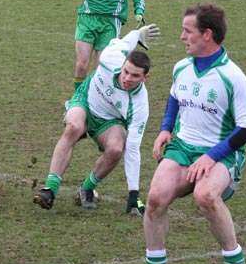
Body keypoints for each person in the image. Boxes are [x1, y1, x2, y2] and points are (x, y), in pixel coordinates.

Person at [133, 2, 246, 264]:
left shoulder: (233, 77)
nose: (181, 37)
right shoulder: (181, 68)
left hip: (222, 152)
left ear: (207, 34)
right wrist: (166, 128)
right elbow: (174, 100)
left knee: (205, 196)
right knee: (154, 199)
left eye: (187, 31)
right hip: (182, 147)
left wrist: (211, 156)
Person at [33, 24, 160, 213]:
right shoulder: (110, 57)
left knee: (117, 149)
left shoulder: (140, 104)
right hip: (86, 100)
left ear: (145, 78)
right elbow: (125, 43)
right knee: (74, 127)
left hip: (110, 121)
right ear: (122, 64)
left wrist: (133, 192)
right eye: (126, 71)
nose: (127, 78)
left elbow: (133, 149)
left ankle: (87, 188)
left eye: (135, 76)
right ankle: (50, 189)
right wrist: (138, 34)